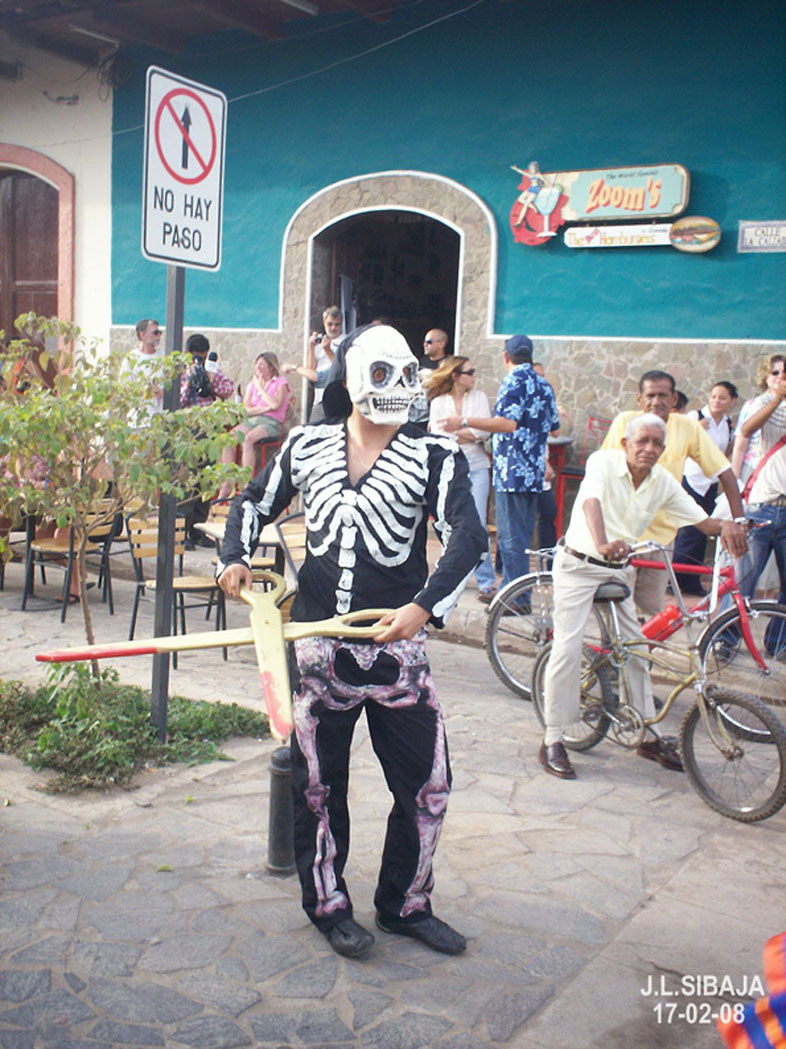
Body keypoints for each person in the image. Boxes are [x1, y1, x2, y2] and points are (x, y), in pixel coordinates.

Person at [217, 324, 486, 960]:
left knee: (428, 785)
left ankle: (405, 904)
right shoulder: (307, 445)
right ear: (352, 381)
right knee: (316, 787)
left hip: (397, 648)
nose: (395, 388)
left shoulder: (435, 457)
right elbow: (254, 503)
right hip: (315, 645)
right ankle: (328, 904)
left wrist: (423, 608)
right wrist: (234, 556)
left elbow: (467, 537)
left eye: (405, 375)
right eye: (382, 375)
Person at [539, 414, 745, 780]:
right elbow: (590, 503)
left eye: (656, 444)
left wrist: (730, 524)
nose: (649, 449)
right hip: (579, 565)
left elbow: (702, 522)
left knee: (636, 650)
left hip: (620, 570)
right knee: (567, 649)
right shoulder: (603, 462)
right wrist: (603, 543)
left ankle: (648, 735)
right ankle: (552, 738)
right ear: (625, 444)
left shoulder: (662, 482)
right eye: (642, 442)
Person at [601, 370, 747, 616]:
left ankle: (642, 654)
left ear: (674, 399)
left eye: (662, 395)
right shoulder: (625, 423)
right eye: (650, 395)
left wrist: (739, 520)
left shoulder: (686, 427)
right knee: (618, 611)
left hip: (661, 538)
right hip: (621, 533)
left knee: (650, 612)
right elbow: (602, 474)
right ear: (639, 399)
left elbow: (724, 471)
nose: (656, 402)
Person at [443, 334, 559, 592]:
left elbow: (507, 423)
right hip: (535, 472)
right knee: (523, 535)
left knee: (510, 539)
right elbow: (555, 429)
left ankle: (514, 596)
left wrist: (464, 421)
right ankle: (519, 592)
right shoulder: (544, 386)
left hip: (512, 472)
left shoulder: (512, 382)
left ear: (506, 357)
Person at [425, 355, 497, 601]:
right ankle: (452, 575)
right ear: (455, 375)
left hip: (476, 466)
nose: (474, 376)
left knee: (475, 521)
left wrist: (458, 430)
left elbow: (484, 432)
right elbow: (438, 435)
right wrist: (468, 433)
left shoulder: (479, 398)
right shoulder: (438, 402)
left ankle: (486, 580)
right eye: (469, 372)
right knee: (450, 522)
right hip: (451, 468)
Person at [672, 381, 737, 594]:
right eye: (714, 396)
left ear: (731, 401)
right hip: (691, 479)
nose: (717, 401)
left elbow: (724, 451)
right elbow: (683, 442)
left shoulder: (727, 423)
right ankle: (678, 580)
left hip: (709, 482)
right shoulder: (695, 417)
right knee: (689, 530)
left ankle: (692, 580)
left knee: (703, 532)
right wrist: (699, 429)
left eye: (722, 398)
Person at [179, 334, 234, 547]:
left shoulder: (212, 370)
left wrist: (211, 381)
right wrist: (191, 381)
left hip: (209, 428)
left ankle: (198, 530)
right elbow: (177, 399)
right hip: (188, 430)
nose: (199, 362)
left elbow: (228, 390)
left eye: (201, 358)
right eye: (196, 358)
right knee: (187, 481)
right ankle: (182, 532)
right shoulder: (181, 372)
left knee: (205, 479)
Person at [217, 353, 291, 501]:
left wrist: (260, 389)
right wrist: (264, 408)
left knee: (248, 439)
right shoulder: (252, 384)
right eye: (257, 364)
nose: (258, 368)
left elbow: (276, 404)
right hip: (254, 419)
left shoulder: (280, 383)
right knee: (228, 439)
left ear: (270, 367)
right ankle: (226, 485)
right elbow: (246, 409)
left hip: (272, 422)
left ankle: (247, 485)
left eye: (261, 365)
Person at [284, 306, 343, 420]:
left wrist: (328, 350)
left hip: (338, 398)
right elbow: (311, 370)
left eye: (337, 324)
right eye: (330, 324)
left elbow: (340, 368)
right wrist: (312, 348)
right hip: (320, 398)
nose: (333, 328)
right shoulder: (320, 341)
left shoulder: (345, 342)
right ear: (324, 322)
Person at [120, 318, 164, 417]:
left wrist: (162, 392)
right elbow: (124, 387)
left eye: (159, 333)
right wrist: (144, 391)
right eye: (155, 333)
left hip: (160, 417)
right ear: (142, 335)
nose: (158, 336)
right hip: (139, 419)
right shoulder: (131, 359)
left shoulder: (164, 357)